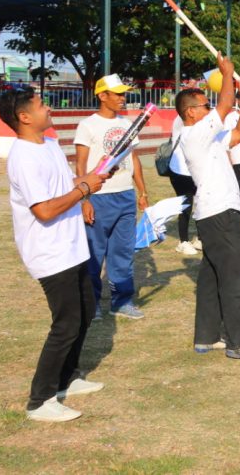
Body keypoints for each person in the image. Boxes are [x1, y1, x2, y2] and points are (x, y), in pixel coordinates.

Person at [2, 88, 109, 422]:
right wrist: (84, 189)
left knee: (87, 309)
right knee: (65, 324)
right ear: (24, 117)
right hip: (49, 253)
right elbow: (45, 210)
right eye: (41, 104)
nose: (48, 108)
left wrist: (86, 182)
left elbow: (62, 186)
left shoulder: (48, 144)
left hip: (72, 245)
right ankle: (40, 400)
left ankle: (66, 379)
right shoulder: (22, 157)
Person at [176, 56, 240, 360]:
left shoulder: (209, 136)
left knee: (211, 276)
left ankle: (206, 337)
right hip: (217, 212)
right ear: (191, 112)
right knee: (233, 278)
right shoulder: (193, 133)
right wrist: (227, 75)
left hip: (218, 212)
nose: (209, 109)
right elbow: (224, 104)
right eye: (204, 106)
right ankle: (238, 342)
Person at [73, 74, 149, 320]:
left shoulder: (128, 124)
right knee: (94, 254)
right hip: (98, 197)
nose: (122, 98)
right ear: (102, 96)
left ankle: (122, 301)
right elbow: (81, 165)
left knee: (123, 253)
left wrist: (142, 191)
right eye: (117, 94)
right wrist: (84, 199)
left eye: (123, 93)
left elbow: (134, 160)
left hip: (125, 195)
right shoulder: (87, 126)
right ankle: (90, 303)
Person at [168, 108, 200, 254]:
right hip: (180, 171)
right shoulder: (181, 120)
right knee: (186, 206)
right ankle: (183, 241)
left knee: (201, 203)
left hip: (195, 169)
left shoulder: (197, 121)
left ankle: (200, 238)